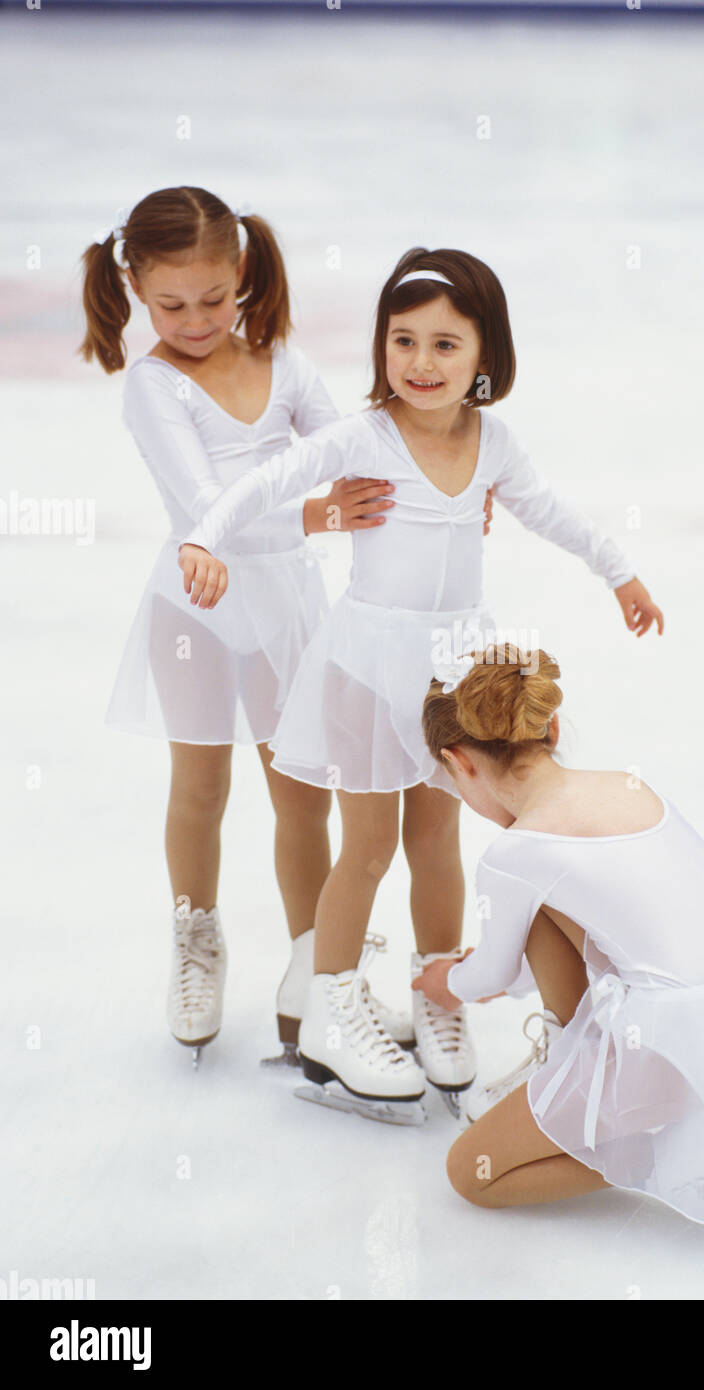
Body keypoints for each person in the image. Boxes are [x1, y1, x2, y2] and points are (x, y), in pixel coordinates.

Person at [175, 246, 665, 1120]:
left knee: (437, 843)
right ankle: (331, 1004)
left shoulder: (495, 444)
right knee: (365, 846)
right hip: (368, 664)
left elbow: (553, 511)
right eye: (404, 342)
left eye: (446, 344)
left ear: (486, 356)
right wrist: (203, 538)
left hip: (453, 675)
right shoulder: (364, 437)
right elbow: (269, 480)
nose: (421, 363)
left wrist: (618, 572)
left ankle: (436, 995)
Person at [79, 185, 414, 1065]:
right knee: (200, 786)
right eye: (169, 304)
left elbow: (357, 452)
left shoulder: (286, 365)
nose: (194, 320)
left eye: (213, 299)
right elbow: (207, 506)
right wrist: (322, 516)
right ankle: (196, 938)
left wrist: (434, 494)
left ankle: (319, 969)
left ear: (244, 277)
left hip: (290, 610)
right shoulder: (153, 388)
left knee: (301, 794)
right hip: (195, 608)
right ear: (136, 290)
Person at [414, 645, 704, 1226]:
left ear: (460, 763)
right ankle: (620, 1081)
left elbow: (490, 976)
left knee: (473, 1172)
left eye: (449, 781)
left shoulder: (514, 853)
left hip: (662, 1048)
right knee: (545, 900)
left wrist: (443, 982)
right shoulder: (625, 786)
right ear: (550, 727)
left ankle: (693, 1142)